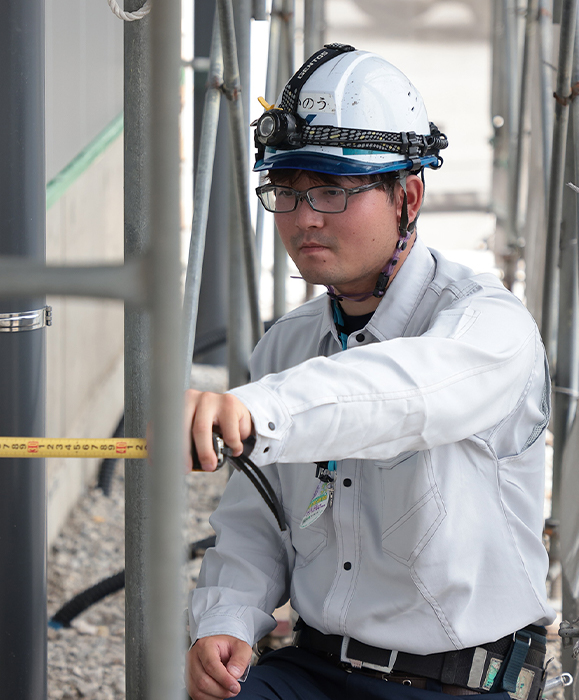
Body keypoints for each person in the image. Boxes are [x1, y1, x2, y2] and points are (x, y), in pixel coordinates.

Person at [185, 44, 555, 700]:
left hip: (453, 685)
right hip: (311, 669)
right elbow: (256, 522)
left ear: (407, 194)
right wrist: (228, 620)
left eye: (333, 189)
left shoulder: (490, 328)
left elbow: (404, 395)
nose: (305, 218)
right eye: (288, 191)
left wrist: (259, 410)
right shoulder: (289, 346)